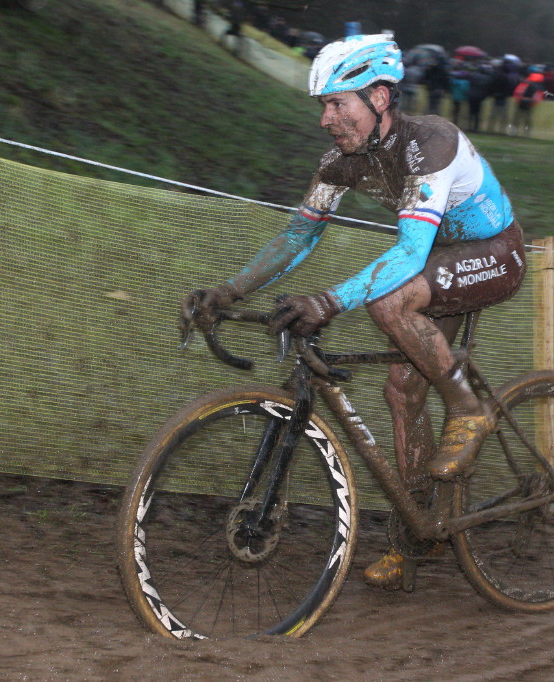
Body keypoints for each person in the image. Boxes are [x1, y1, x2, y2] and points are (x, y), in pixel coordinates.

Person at [181, 34, 527, 589]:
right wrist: (229, 291)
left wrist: (329, 300)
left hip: (495, 254)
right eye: (323, 105)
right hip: (443, 260)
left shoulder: (430, 142)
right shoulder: (341, 163)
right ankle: (420, 532)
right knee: (401, 390)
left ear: (380, 99)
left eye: (337, 102)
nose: (326, 118)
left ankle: (469, 409)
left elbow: (410, 253)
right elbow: (298, 234)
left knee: (389, 302)